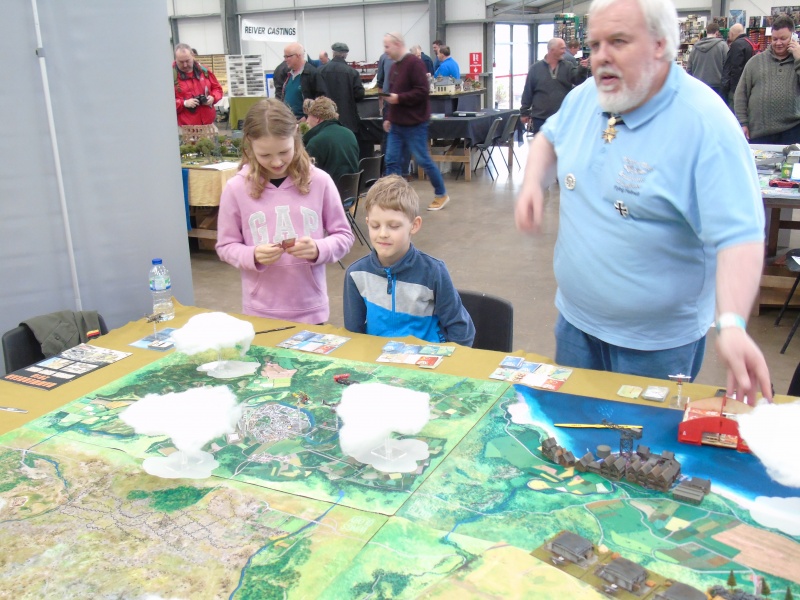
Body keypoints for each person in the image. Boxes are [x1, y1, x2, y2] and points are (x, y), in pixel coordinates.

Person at [514, 0, 772, 403]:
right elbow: (551, 137)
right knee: (573, 440)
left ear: (660, 45)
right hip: (575, 324)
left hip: (655, 346)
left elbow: (739, 236)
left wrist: (733, 323)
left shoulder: (706, 125)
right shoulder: (588, 96)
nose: (601, 57)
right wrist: (533, 181)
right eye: (596, 44)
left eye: (618, 41)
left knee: (639, 457)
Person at [216, 99, 354, 324]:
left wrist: (319, 248)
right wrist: (252, 255)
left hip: (312, 309)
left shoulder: (319, 181)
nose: (277, 161)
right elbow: (225, 246)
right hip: (260, 312)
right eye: (265, 155)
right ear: (250, 144)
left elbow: (344, 236)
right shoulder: (236, 188)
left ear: (296, 135)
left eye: (284, 151)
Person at [343, 175, 475, 345]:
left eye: (394, 226)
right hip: (378, 365)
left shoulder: (434, 272)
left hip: (425, 365)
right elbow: (354, 336)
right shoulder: (355, 274)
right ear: (367, 223)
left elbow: (461, 330)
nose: (383, 233)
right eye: (375, 226)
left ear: (414, 225)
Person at [382, 32, 450, 211]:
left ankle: (441, 193)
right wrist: (389, 117)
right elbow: (393, 94)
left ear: (397, 44)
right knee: (391, 160)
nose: (385, 51)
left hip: (415, 124)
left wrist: (399, 99)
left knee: (423, 160)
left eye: (387, 46)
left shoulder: (414, 64)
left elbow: (422, 92)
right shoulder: (394, 67)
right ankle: (392, 199)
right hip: (397, 124)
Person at [734, 14, 800, 144]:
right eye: (774, 39)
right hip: (759, 132)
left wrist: (799, 59)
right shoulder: (755, 62)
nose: (778, 43)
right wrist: (742, 123)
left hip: (792, 131)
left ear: (793, 37)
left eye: (783, 38)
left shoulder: (797, 60)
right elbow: (741, 94)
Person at [520, 38, 588, 135]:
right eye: (562, 49)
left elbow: (578, 81)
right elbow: (528, 91)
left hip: (562, 118)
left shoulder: (568, 66)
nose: (564, 51)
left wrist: (582, 69)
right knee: (542, 149)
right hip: (540, 118)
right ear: (552, 50)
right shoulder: (535, 69)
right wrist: (524, 112)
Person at [302, 97, 359, 184]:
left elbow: (305, 175)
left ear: (317, 118)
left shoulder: (316, 142)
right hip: (351, 191)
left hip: (328, 192)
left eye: (308, 116)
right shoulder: (349, 133)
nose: (307, 121)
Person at [318, 42, 365, 134]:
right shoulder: (352, 73)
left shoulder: (320, 71)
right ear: (346, 55)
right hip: (348, 120)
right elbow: (359, 95)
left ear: (333, 53)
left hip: (325, 119)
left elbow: (316, 93)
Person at [173, 43, 223, 126]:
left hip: (208, 125)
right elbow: (164, 104)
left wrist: (213, 98)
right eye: (181, 62)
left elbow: (217, 89)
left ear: (193, 55)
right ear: (175, 59)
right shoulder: (169, 76)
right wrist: (184, 103)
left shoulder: (204, 70)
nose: (185, 65)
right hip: (185, 128)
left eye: (187, 61)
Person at [281, 43, 328, 119]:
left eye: (287, 56)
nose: (285, 59)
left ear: (298, 56)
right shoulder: (287, 74)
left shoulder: (312, 74)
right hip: (288, 122)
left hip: (304, 124)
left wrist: (307, 118)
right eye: (284, 56)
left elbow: (322, 101)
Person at [686, 23, 728, 100]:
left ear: (706, 32)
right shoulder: (723, 46)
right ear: (717, 33)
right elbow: (728, 67)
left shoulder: (695, 47)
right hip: (716, 87)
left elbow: (689, 68)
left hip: (698, 86)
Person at [721, 23, 755, 110]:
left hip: (736, 89)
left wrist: (727, 89)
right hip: (748, 86)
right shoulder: (750, 42)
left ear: (732, 33)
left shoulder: (737, 45)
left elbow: (734, 68)